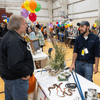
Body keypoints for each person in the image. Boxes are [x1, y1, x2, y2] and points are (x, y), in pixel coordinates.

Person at [1, 15, 34, 100]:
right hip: (16, 80)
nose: (26, 26)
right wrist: (26, 73)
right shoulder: (14, 41)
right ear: (17, 25)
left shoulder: (9, 36)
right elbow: (15, 64)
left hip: (9, 77)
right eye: (24, 24)